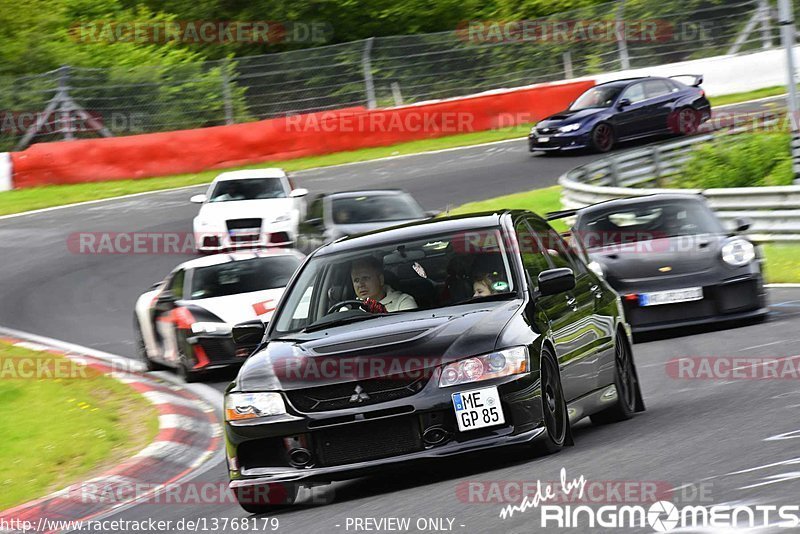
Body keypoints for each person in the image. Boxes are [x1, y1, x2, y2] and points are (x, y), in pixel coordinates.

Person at [350, 256, 418, 312]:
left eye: (365, 278)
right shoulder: (350, 308)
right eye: (356, 280)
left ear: (380, 279)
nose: (360, 284)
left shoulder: (403, 302)